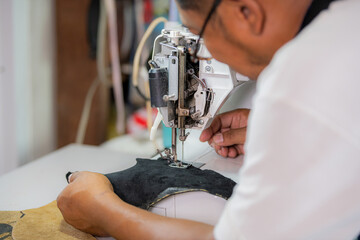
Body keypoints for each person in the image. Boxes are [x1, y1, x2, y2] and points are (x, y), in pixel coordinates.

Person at [57, 0, 360, 239]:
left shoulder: (305, 81)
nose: (204, 54)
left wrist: (101, 210)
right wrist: (290, 131)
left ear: (246, 13)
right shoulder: (345, 23)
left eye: (199, 37)